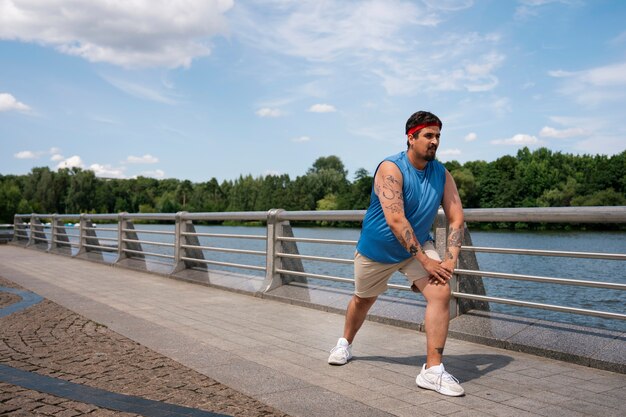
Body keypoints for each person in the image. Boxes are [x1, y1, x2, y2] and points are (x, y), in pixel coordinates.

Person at [327, 110, 465, 397]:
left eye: (438, 136)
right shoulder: (391, 169)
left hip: (416, 247)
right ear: (411, 137)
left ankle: (433, 370)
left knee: (441, 291)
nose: (435, 141)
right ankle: (345, 342)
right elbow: (396, 221)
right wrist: (426, 260)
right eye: (428, 135)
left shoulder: (442, 173)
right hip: (377, 250)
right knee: (363, 300)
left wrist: (450, 257)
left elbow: (456, 218)